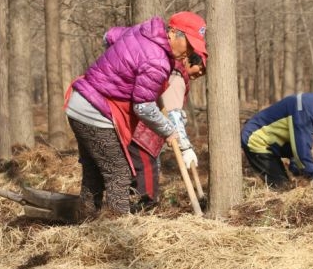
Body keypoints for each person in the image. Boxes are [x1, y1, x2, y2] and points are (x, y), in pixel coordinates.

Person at [65, 11, 207, 216]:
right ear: (175, 33)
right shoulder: (157, 60)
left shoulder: (143, 32)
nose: (189, 53)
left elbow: (110, 35)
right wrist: (169, 131)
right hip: (96, 111)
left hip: (79, 103)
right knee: (119, 174)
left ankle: (86, 222)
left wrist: (121, 66)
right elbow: (144, 107)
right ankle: (118, 232)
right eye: (190, 45)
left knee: (94, 174)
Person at [129, 47, 206, 211]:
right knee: (147, 172)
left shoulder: (174, 73)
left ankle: (134, 207)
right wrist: (186, 148)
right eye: (199, 70)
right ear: (187, 60)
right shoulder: (177, 78)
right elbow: (173, 115)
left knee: (136, 171)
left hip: (139, 129)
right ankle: (144, 211)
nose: (199, 75)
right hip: (142, 133)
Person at [240, 79, 313, 189]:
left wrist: (297, 168)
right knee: (281, 187)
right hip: (256, 139)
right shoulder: (306, 107)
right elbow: (301, 145)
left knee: (294, 178)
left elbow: (300, 142)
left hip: (274, 141)